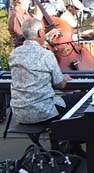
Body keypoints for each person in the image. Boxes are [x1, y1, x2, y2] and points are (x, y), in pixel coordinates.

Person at [9, 18, 86, 156]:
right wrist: (64, 78)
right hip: (42, 112)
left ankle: (57, 144)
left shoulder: (14, 54)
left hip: (20, 113)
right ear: (40, 33)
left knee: (59, 100)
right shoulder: (46, 55)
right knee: (82, 101)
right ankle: (72, 143)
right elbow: (61, 85)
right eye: (44, 32)